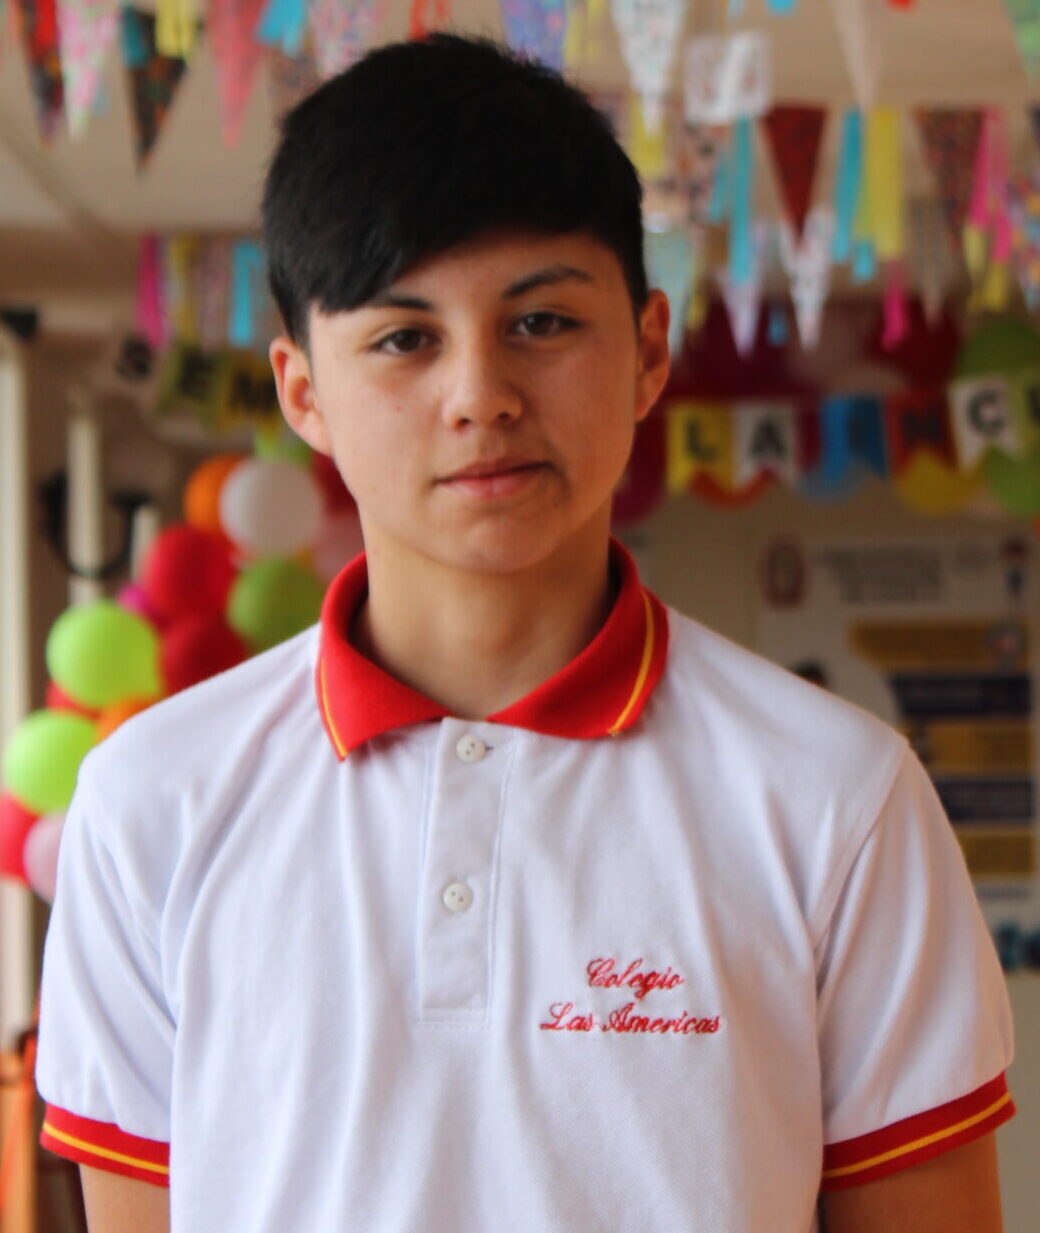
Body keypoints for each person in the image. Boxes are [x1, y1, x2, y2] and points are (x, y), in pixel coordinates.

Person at [35, 34, 1015, 1233]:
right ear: (303, 393)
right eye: (403, 338)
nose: (479, 396)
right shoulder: (151, 801)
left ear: (645, 351)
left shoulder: (837, 797)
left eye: (541, 321)